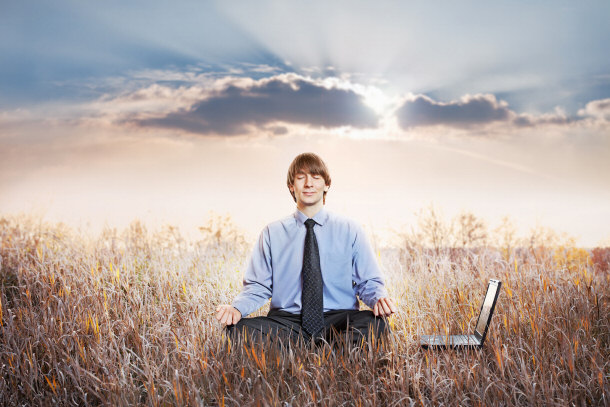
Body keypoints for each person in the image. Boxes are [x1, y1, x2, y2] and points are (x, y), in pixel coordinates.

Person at [215, 152, 397, 346]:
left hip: (339, 319)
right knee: (237, 331)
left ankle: (306, 354)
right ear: (291, 187)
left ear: (327, 184)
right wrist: (237, 308)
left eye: (316, 177)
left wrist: (378, 299)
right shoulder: (272, 233)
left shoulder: (350, 230)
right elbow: (258, 286)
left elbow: (368, 281)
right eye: (301, 177)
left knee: (376, 324)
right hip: (287, 321)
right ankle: (328, 352)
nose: (309, 184)